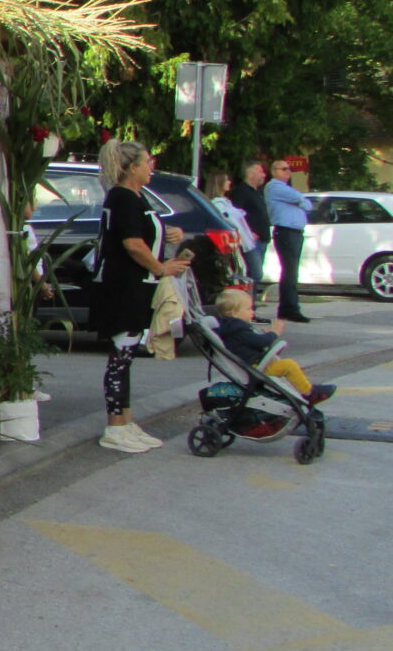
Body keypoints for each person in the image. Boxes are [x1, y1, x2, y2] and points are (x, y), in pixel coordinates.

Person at [90, 139, 191, 453]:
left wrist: (168, 234)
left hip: (137, 286)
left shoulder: (137, 197)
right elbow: (132, 244)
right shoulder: (122, 197)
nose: (151, 168)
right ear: (131, 167)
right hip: (123, 286)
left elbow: (142, 231)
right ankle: (114, 426)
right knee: (120, 358)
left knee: (128, 356)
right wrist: (161, 268)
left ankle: (126, 421)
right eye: (147, 162)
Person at [211, 289, 335, 404]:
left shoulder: (230, 328)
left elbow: (250, 341)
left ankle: (303, 390)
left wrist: (263, 334)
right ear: (234, 313)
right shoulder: (238, 328)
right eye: (249, 309)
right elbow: (260, 342)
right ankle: (309, 392)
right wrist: (274, 333)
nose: (252, 312)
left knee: (285, 366)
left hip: (252, 366)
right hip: (255, 368)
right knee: (289, 365)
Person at [265, 158, 314, 325]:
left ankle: (288, 307)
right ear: (274, 171)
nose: (288, 172)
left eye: (289, 169)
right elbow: (300, 199)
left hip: (294, 232)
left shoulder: (285, 188)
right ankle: (290, 308)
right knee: (290, 271)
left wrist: (301, 201)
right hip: (286, 232)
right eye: (284, 169)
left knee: (291, 272)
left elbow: (307, 204)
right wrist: (300, 200)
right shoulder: (275, 186)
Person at [228, 159, 272, 305]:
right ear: (250, 173)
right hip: (250, 241)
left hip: (261, 240)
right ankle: (245, 306)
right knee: (253, 274)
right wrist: (249, 232)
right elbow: (235, 215)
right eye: (260, 171)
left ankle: (250, 308)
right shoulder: (241, 191)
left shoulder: (257, 193)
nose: (264, 175)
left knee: (256, 276)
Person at [203, 169, 258, 280]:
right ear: (218, 183)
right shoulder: (217, 204)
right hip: (237, 243)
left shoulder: (226, 203)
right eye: (226, 180)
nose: (229, 182)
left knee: (252, 273)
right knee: (253, 272)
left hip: (243, 241)